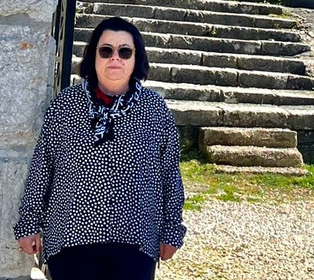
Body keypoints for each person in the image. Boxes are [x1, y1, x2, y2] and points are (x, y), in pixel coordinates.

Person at [14, 16, 186, 280]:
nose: (114, 58)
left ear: (135, 58)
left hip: (136, 239)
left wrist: (172, 231)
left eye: (124, 51)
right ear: (93, 55)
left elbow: (169, 175)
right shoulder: (66, 104)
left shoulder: (155, 109)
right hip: (70, 237)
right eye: (106, 50)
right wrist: (29, 223)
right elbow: (42, 166)